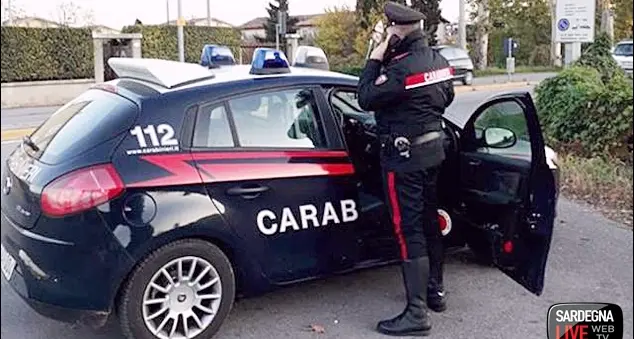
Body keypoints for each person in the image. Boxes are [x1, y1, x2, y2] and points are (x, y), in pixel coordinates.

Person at [357, 1, 455, 336]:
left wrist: (375, 56)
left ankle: (416, 315)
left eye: (389, 31)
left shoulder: (399, 69)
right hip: (434, 153)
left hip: (404, 159)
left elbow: (366, 97)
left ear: (398, 32)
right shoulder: (439, 62)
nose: (387, 35)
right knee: (430, 223)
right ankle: (435, 294)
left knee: (408, 230)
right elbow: (448, 98)